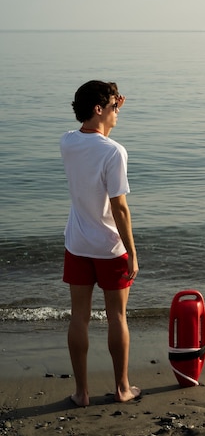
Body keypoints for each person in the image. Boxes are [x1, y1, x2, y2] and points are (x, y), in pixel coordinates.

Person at [60, 80, 140, 407]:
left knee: (79, 317)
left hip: (78, 244)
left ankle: (81, 393)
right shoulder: (114, 152)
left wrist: (111, 105)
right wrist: (132, 253)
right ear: (99, 109)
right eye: (112, 106)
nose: (117, 111)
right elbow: (119, 208)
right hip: (109, 248)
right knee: (117, 317)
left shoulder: (66, 142)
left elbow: (91, 134)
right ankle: (122, 388)